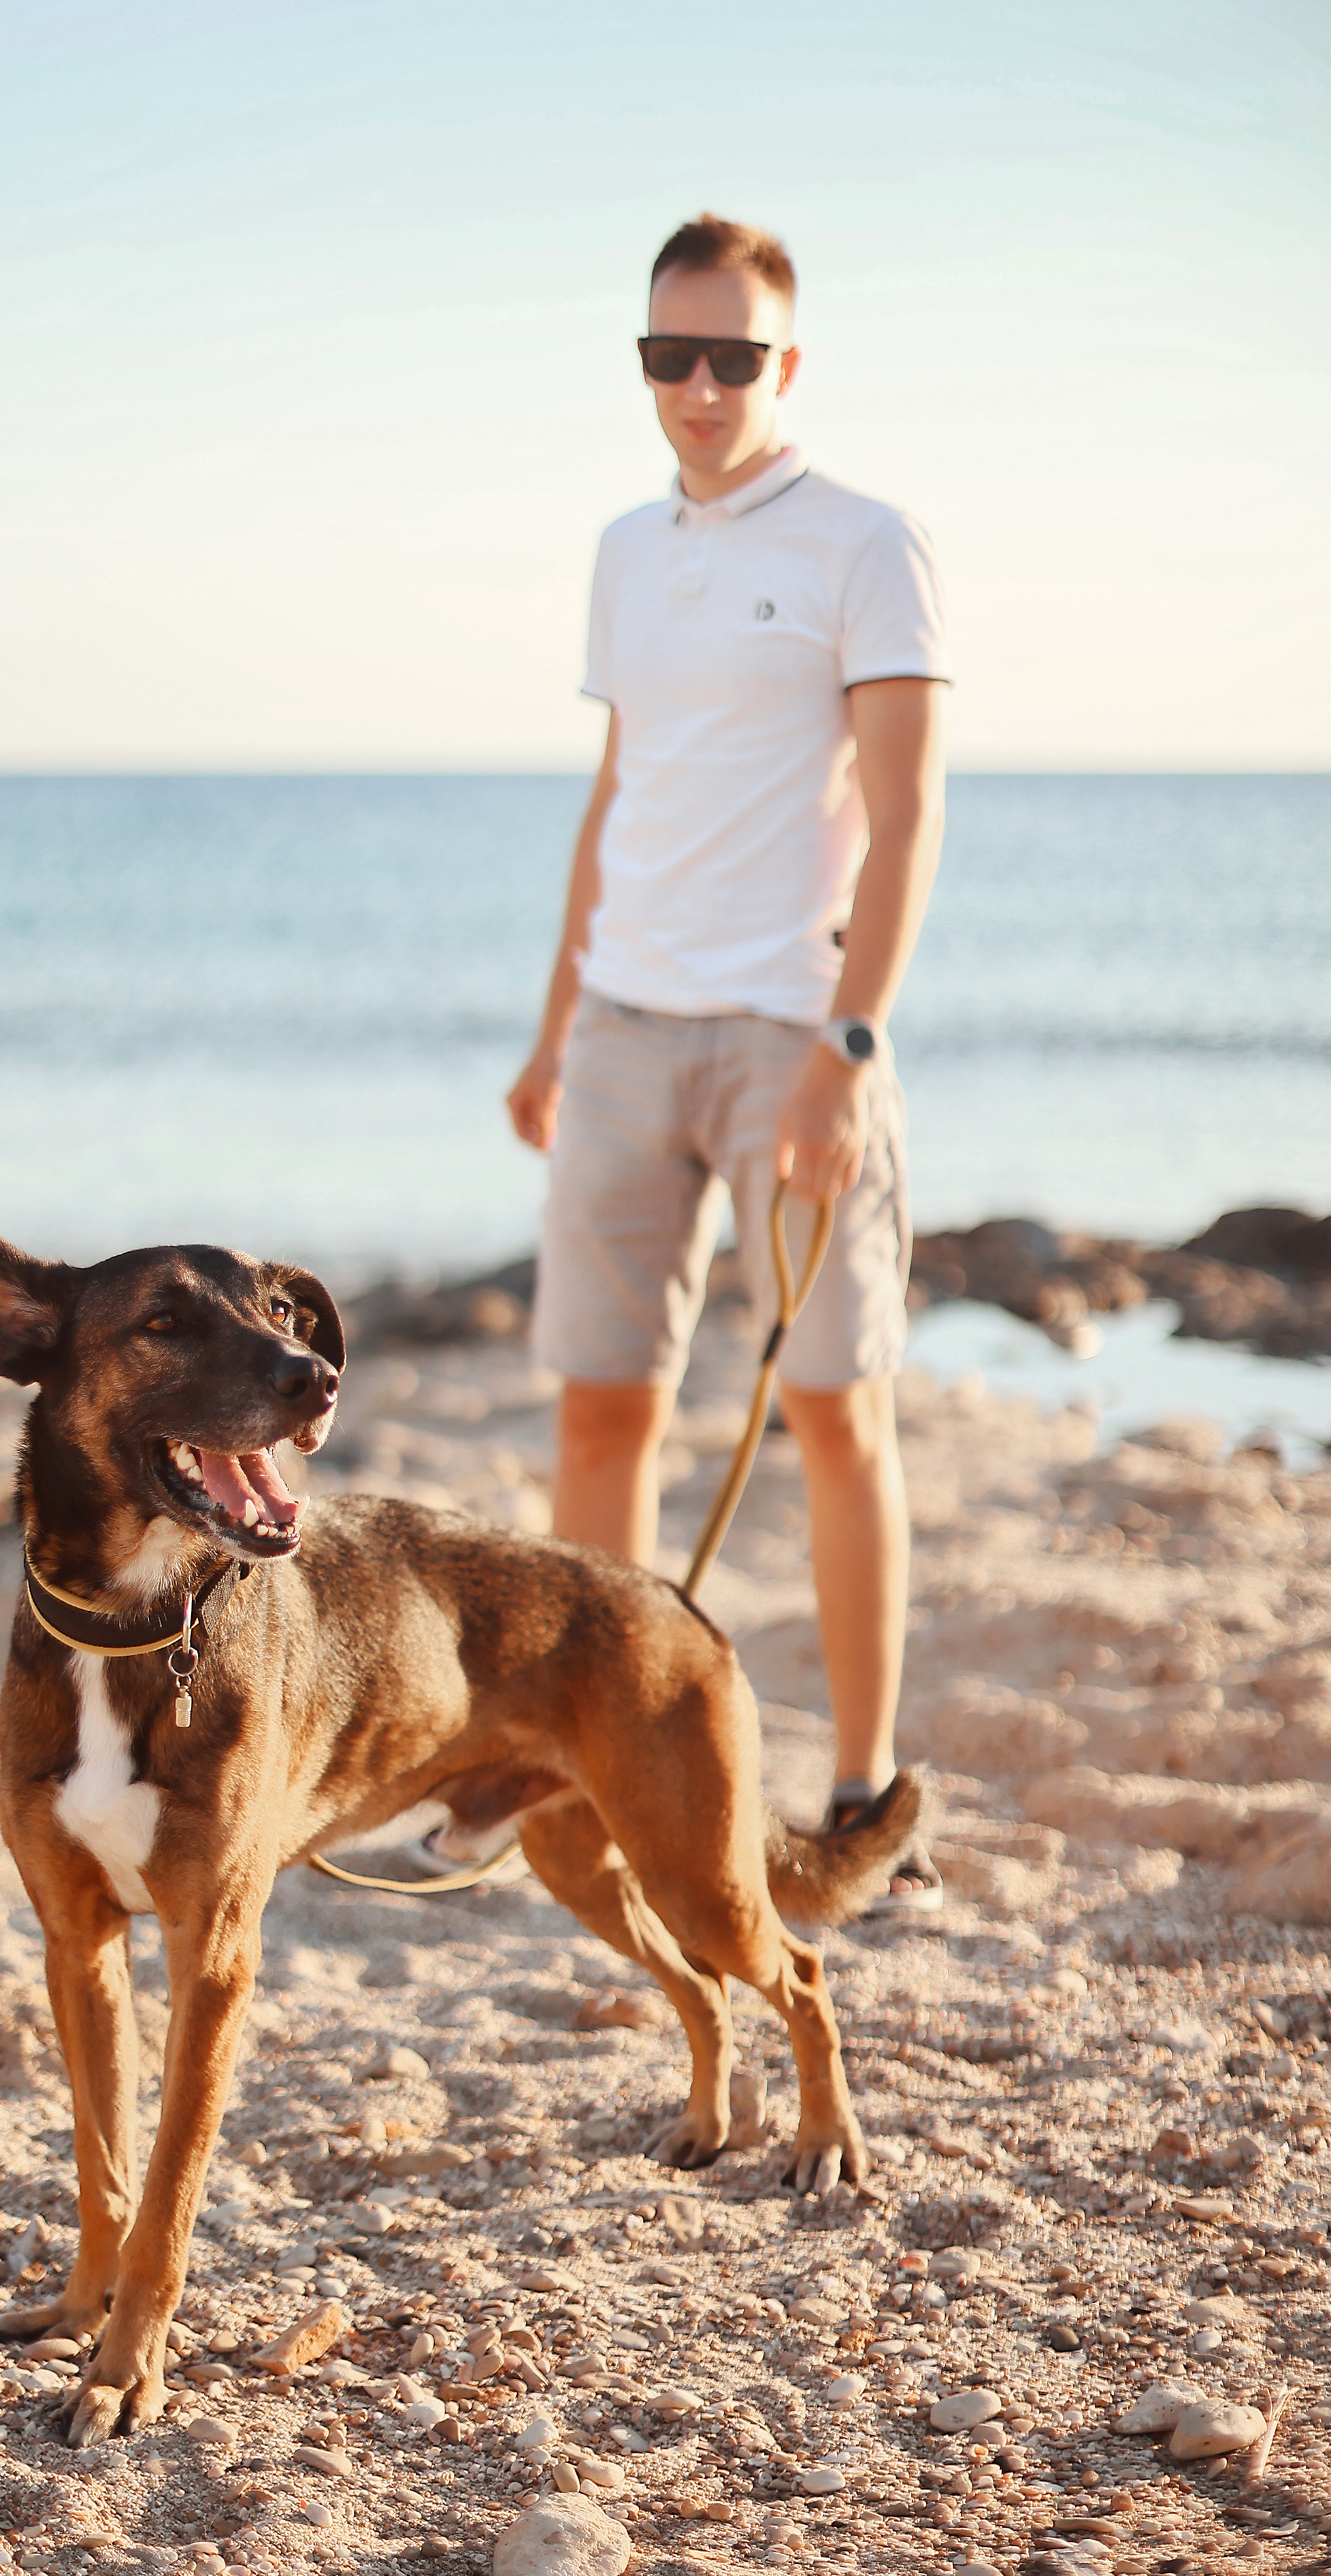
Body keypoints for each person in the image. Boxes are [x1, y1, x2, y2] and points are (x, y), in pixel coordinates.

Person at [425, 214, 949, 1904]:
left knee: (831, 1407)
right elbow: (615, 798)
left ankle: (865, 1790)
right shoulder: (624, 551)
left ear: (785, 366)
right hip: (625, 1031)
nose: (701, 385)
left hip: (791, 1034)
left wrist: (847, 1046)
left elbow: (908, 808)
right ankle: (590, 1755)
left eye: (733, 356)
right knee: (598, 1407)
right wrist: (552, 1026)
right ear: (644, 363)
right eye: (671, 355)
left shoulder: (869, 542)